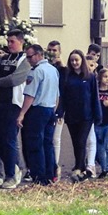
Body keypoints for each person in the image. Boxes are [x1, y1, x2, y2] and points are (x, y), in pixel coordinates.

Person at [0, 28, 29, 188]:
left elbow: (14, 79)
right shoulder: (4, 57)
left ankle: (11, 174)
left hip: (13, 103)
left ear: (21, 41)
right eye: (7, 41)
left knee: (9, 139)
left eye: (12, 42)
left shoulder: (25, 59)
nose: (9, 45)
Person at [16, 44, 59, 186]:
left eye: (30, 56)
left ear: (39, 55)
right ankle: (51, 174)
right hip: (50, 108)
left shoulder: (36, 72)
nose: (28, 60)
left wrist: (22, 114)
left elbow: (30, 95)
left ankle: (38, 176)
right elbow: (57, 94)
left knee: (35, 144)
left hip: (37, 110)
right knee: (48, 143)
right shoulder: (53, 70)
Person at [58, 50, 102, 180]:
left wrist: (97, 114)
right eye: (72, 60)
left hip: (86, 115)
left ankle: (78, 168)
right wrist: (60, 112)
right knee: (75, 142)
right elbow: (63, 97)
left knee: (82, 141)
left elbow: (95, 96)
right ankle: (81, 168)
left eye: (76, 60)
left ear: (82, 60)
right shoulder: (67, 77)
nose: (74, 62)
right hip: (72, 115)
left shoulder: (90, 77)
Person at [46, 40, 66, 180]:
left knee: (55, 139)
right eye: (50, 50)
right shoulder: (44, 66)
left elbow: (64, 90)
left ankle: (55, 166)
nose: (52, 53)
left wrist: (60, 111)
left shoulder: (63, 69)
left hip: (58, 108)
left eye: (55, 50)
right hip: (45, 106)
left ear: (59, 52)